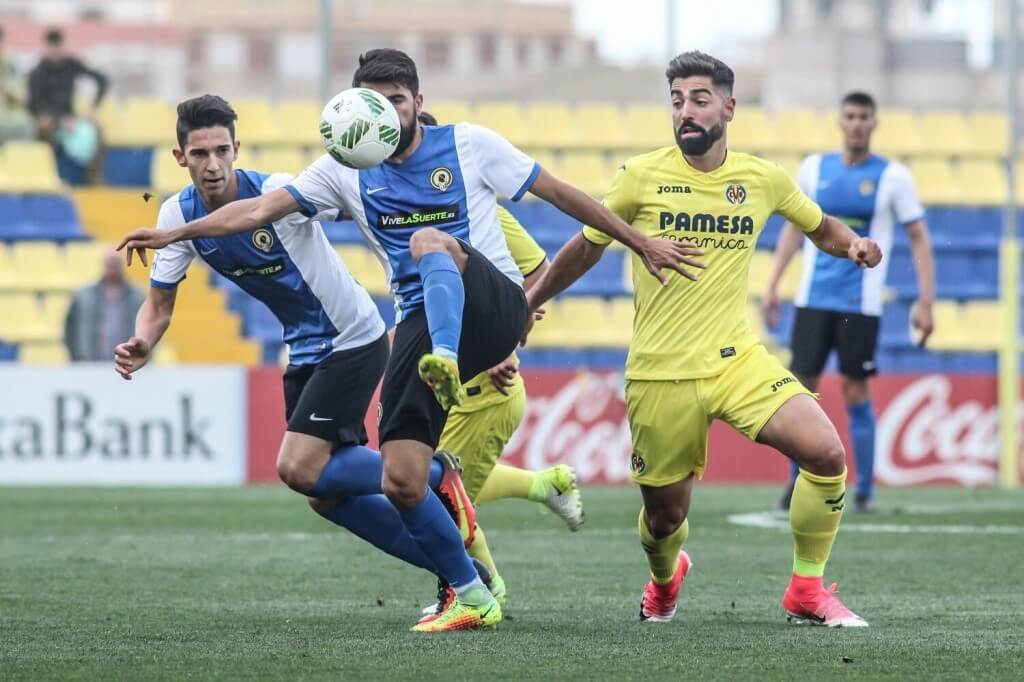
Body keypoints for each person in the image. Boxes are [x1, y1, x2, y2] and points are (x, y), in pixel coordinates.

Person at [118, 49, 702, 632]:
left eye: (399, 101)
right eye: (379, 104)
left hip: (490, 309)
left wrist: (637, 241)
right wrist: (175, 232)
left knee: (429, 242)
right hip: (419, 329)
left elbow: (562, 194)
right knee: (395, 478)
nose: (391, 115)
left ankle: (444, 367)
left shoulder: (470, 144)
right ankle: (470, 587)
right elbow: (257, 212)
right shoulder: (343, 170)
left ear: (419, 103)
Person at [522, 51, 880, 627]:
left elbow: (821, 226)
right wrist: (527, 302)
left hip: (737, 359)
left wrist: (854, 245)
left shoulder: (761, 179)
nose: (685, 111)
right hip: (660, 372)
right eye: (676, 101)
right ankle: (665, 579)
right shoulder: (641, 176)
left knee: (827, 453)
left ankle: (806, 590)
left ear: (729, 107)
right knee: (664, 519)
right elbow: (586, 246)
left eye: (699, 99)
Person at [112, 95, 489, 629]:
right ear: (180, 157)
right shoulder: (175, 213)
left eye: (223, 150)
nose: (213, 163)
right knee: (326, 496)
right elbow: (159, 302)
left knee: (296, 468)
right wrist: (143, 342)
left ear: (237, 149)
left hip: (352, 336)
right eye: (200, 154)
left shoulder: (275, 192)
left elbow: (351, 200)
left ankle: (429, 472)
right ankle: (464, 572)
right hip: (307, 349)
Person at [413, 111, 584, 623]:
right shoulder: (391, 211)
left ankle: (481, 587)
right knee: (432, 480)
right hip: (447, 374)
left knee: (438, 487)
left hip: (486, 380)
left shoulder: (475, 210)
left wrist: (505, 342)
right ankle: (542, 485)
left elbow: (535, 270)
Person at [762, 91, 935, 513]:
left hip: (861, 304)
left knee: (856, 392)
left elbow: (918, 238)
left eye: (864, 117)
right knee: (800, 394)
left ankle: (864, 489)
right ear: (840, 122)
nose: (857, 124)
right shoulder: (813, 169)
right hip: (813, 300)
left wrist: (926, 300)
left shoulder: (893, 177)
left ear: (874, 124)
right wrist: (772, 284)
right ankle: (795, 483)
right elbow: (793, 230)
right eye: (851, 116)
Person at [27, 28, 107, 181]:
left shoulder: (71, 65)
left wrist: (93, 107)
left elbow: (101, 80)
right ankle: (51, 178)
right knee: (45, 129)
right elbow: (35, 104)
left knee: (97, 130)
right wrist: (57, 119)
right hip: (50, 119)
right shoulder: (37, 72)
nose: (55, 52)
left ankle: (94, 180)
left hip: (70, 117)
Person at [64, 248, 145, 362]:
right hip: (90, 365)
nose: (112, 267)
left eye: (115, 263)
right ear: (103, 264)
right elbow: (69, 329)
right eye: (110, 263)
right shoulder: (83, 295)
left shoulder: (137, 296)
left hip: (128, 364)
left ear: (122, 265)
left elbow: (148, 329)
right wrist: (77, 357)